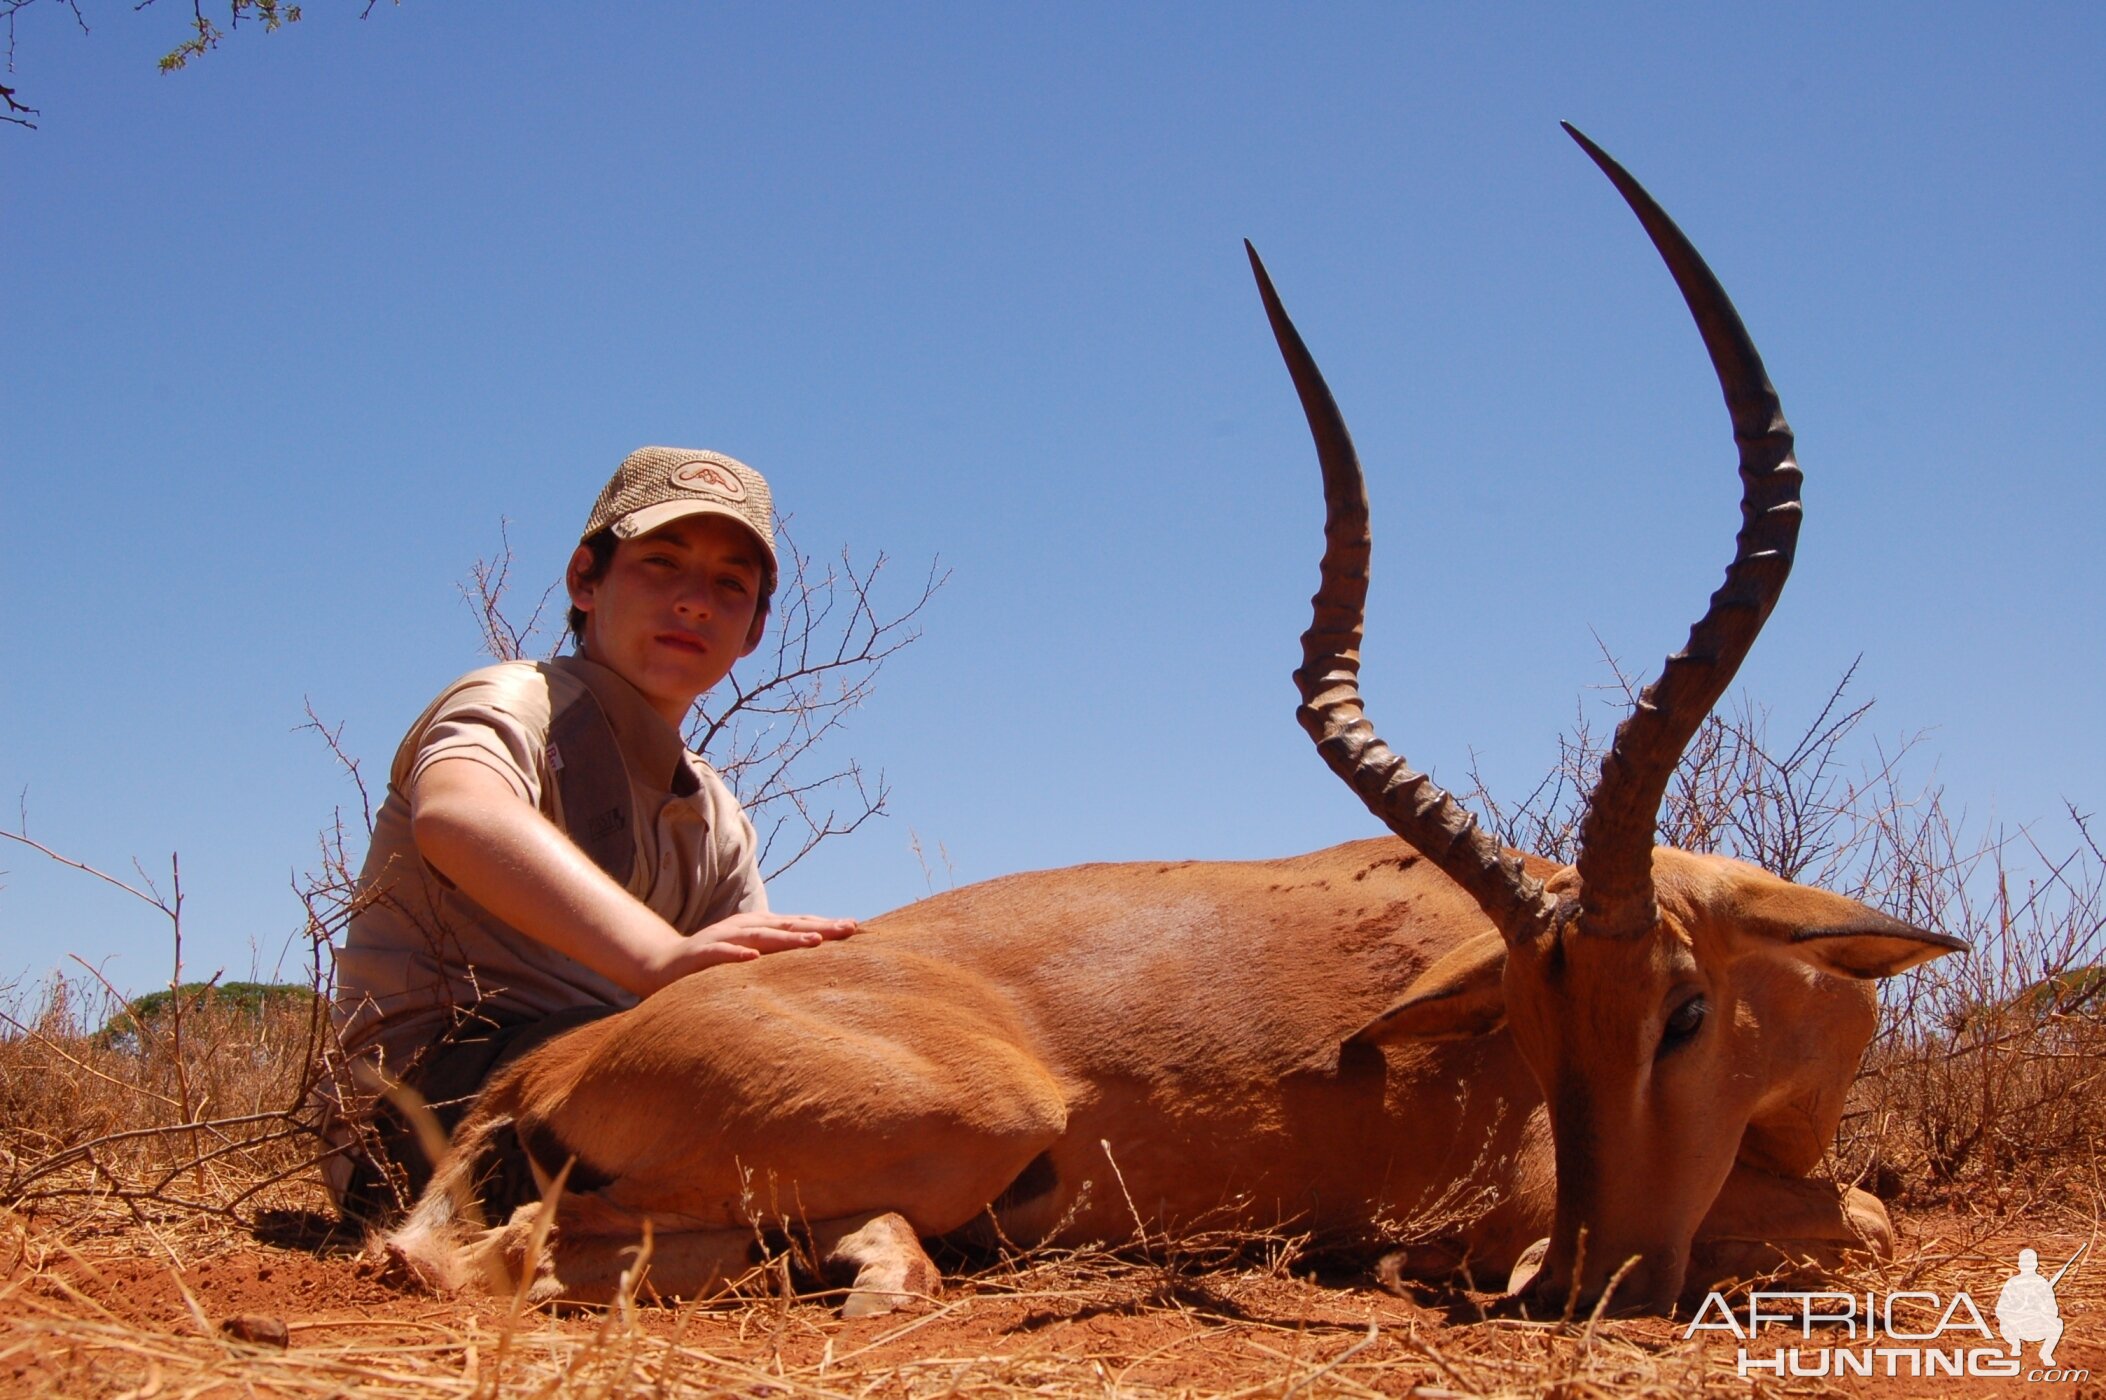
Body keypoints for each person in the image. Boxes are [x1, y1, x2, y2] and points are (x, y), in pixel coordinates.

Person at [321, 446, 858, 1225]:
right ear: (585, 579)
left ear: (753, 632)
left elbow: (738, 1000)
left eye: (730, 585)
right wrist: (658, 959)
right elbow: (459, 815)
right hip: (418, 1119)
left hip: (604, 1080)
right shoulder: (516, 701)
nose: (695, 602)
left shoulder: (714, 815)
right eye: (661, 563)